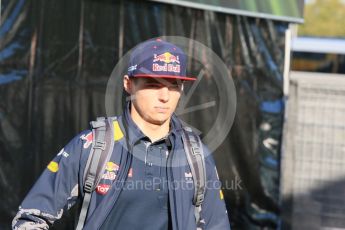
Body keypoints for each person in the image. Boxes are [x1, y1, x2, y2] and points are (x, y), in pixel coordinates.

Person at [12, 39, 231, 229]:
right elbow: (30, 218)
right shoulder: (94, 146)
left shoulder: (196, 156)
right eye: (153, 84)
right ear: (129, 84)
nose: (165, 96)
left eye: (174, 85)